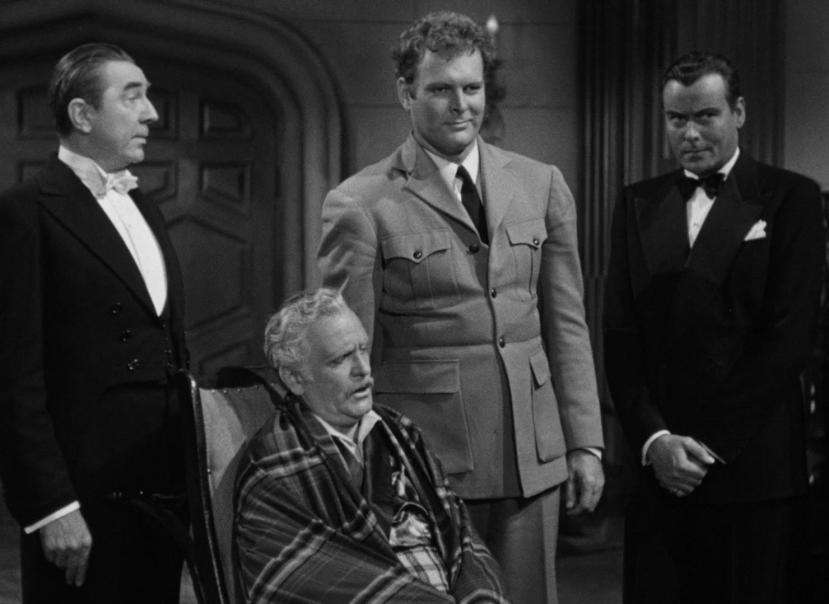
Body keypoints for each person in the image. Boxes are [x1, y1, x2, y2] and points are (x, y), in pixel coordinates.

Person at [317, 11, 604, 603]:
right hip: (426, 463)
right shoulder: (361, 202)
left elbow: (567, 326)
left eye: (471, 88)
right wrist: (353, 463)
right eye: (441, 89)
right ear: (406, 93)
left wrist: (585, 442)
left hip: (532, 454)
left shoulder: (541, 184)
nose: (460, 105)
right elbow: (347, 353)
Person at [604, 51, 824, 603]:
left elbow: (789, 338)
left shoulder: (791, 197)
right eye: (677, 119)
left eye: (706, 116)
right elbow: (620, 337)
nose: (691, 133)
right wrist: (655, 441)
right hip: (660, 470)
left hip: (752, 469)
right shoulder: (637, 202)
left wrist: (705, 446)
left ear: (739, 112)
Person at [0, 43, 188, 603]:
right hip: (82, 497)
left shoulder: (146, 207)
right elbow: (13, 380)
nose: (151, 113)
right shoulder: (25, 211)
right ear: (82, 115)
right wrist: (51, 507)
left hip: (160, 491)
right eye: (133, 97)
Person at [233, 288, 509, 602]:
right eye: (340, 359)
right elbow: (302, 580)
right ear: (294, 378)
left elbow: (462, 537)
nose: (363, 369)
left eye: (363, 349)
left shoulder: (399, 431)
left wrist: (482, 597)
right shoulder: (274, 462)